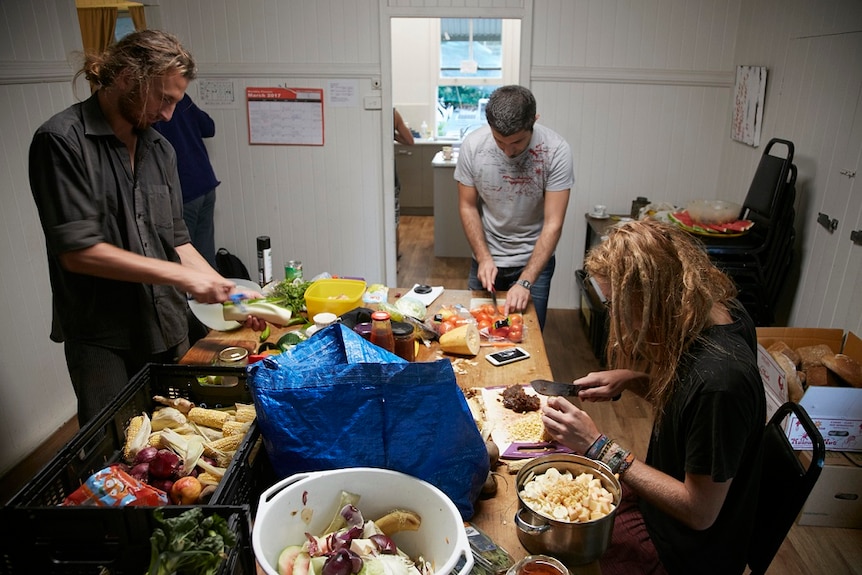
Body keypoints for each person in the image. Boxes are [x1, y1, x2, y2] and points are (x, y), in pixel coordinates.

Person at [28, 29, 264, 428]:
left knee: (182, 434)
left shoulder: (160, 149)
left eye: (176, 102)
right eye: (164, 99)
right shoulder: (61, 141)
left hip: (166, 324)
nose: (169, 114)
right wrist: (182, 278)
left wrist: (229, 291)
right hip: (104, 338)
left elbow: (178, 240)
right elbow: (78, 252)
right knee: (116, 449)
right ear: (126, 77)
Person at [541, 220, 766, 574]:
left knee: (556, 547)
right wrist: (633, 379)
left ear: (651, 297)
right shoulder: (720, 314)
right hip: (661, 512)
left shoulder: (722, 381)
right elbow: (690, 408)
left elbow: (699, 512)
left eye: (616, 303)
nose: (615, 317)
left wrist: (598, 446)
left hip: (684, 552)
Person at [454, 85, 573, 330]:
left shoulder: (556, 151)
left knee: (526, 339)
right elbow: (467, 206)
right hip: (486, 259)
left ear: (534, 121)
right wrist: (484, 257)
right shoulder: (473, 146)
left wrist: (526, 281)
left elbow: (554, 223)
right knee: (478, 333)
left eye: (517, 142)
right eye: (500, 141)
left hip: (533, 261)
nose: (509, 151)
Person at [153, 93, 220, 267]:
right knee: (205, 255)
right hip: (205, 183)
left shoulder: (151, 109)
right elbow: (209, 127)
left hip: (183, 191)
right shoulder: (181, 99)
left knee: (183, 256)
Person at [393, 108, 414, 228]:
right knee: (393, 220)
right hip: (388, 171)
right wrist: (392, 135)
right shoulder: (392, 114)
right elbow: (409, 140)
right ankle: (393, 247)